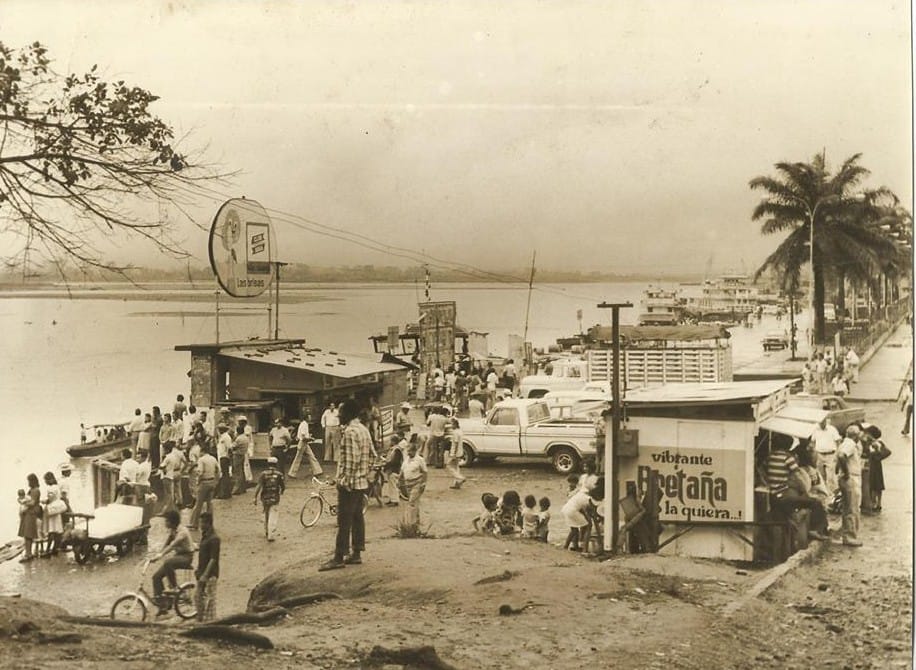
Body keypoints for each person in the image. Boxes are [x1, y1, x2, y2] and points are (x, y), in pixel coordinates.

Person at [320, 399, 373, 571]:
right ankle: (356, 553)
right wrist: (364, 474)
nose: (338, 416)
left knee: (344, 520)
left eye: (341, 412)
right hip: (361, 483)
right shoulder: (363, 429)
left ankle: (339, 557)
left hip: (350, 485)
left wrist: (344, 481)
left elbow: (351, 461)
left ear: (348, 414)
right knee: (357, 518)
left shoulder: (350, 432)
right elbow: (372, 455)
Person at [150, 509, 194, 616]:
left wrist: (161, 555)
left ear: (172, 522)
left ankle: (175, 588)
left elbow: (172, 545)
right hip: (178, 555)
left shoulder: (182, 532)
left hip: (187, 556)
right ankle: (162, 606)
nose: (165, 523)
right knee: (156, 577)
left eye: (167, 521)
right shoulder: (172, 530)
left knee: (168, 562)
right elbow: (167, 543)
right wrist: (157, 553)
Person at [836, 425, 863, 547]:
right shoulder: (850, 444)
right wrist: (846, 472)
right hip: (851, 477)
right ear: (855, 436)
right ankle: (850, 536)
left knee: (848, 507)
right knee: (852, 507)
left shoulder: (845, 443)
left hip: (848, 477)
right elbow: (841, 456)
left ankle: (848, 534)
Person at [397, 434, 428, 532]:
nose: (408, 453)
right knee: (414, 504)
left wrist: (423, 483)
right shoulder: (406, 460)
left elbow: (425, 472)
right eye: (408, 451)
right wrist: (399, 480)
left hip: (416, 483)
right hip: (407, 484)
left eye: (410, 451)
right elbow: (402, 471)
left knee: (412, 503)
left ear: (415, 451)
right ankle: (416, 525)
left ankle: (411, 524)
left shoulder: (420, 460)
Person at [194, 511, 220, 622]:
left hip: (210, 574)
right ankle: (201, 619)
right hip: (202, 572)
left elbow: (213, 559)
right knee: (198, 597)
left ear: (208, 523)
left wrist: (205, 575)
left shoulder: (214, 539)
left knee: (210, 600)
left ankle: (210, 622)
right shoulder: (205, 536)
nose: (200, 525)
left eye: (202, 523)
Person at [253, 456, 286, 541]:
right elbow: (282, 486)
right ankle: (271, 534)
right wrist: (282, 492)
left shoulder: (263, 474)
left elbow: (259, 486)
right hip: (275, 497)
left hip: (265, 497)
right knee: (273, 515)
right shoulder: (279, 475)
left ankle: (266, 530)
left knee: (266, 513)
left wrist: (255, 497)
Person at [189, 446, 219, 529]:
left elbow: (200, 472)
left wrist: (197, 481)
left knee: (198, 504)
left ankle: (194, 523)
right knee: (210, 504)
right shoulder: (213, 459)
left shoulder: (201, 460)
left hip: (204, 482)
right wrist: (216, 481)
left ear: (202, 451)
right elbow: (218, 470)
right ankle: (210, 523)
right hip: (212, 481)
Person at [288, 418, 326, 483]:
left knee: (311, 456)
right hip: (302, 443)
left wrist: (309, 438)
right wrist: (311, 439)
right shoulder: (304, 424)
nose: (310, 418)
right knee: (298, 458)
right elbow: (303, 437)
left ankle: (318, 471)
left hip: (304, 443)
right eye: (309, 417)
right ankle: (292, 473)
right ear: (306, 418)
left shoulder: (303, 424)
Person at [863, 425, 891, 512]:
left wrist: (876, 455)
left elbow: (887, 452)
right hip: (876, 465)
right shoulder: (873, 442)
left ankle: (875, 503)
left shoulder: (875, 443)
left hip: (874, 466)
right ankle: (877, 503)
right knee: (876, 484)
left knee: (874, 484)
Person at [810, 417, 841, 495]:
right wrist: (814, 453)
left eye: (823, 421)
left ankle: (832, 495)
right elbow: (813, 442)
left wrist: (836, 454)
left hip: (830, 455)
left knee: (831, 478)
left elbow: (838, 441)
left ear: (825, 421)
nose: (822, 423)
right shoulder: (815, 429)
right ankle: (824, 495)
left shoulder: (832, 429)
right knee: (820, 476)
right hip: (819, 455)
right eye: (820, 422)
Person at [40, 471, 65, 557]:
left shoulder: (51, 488)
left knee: (51, 530)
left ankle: (48, 550)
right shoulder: (57, 487)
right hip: (57, 509)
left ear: (49, 480)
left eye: (46, 480)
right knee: (57, 530)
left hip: (51, 509)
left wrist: (42, 501)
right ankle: (55, 548)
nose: (45, 482)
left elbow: (49, 499)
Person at [17, 474, 42, 562]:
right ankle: (28, 553)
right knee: (27, 534)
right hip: (29, 513)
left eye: (29, 481)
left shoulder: (35, 490)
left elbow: (32, 503)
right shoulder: (32, 490)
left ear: (32, 481)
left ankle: (28, 554)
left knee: (28, 534)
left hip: (32, 513)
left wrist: (23, 503)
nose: (28, 483)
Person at [445, 417, 466, 489]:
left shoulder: (455, 433)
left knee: (448, 466)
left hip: (455, 453)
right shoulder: (460, 431)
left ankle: (460, 478)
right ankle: (457, 483)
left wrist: (453, 454)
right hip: (460, 452)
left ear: (455, 424)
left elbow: (455, 443)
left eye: (452, 424)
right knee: (456, 467)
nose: (451, 426)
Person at [215, 423, 233, 499]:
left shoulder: (226, 437)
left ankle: (225, 493)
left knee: (225, 475)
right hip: (221, 457)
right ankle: (225, 492)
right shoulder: (221, 437)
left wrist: (229, 458)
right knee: (223, 475)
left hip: (224, 457)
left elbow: (229, 448)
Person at [231, 425, 249, 495]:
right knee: (242, 471)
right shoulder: (245, 438)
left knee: (237, 472)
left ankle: (237, 489)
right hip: (242, 454)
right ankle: (243, 487)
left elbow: (232, 447)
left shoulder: (238, 438)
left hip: (237, 455)